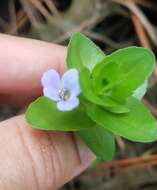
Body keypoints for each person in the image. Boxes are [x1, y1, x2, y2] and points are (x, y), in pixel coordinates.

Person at [0, 34, 95, 190]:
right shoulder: (58, 90)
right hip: (63, 102)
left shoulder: (72, 87)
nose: (63, 94)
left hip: (71, 100)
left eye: (66, 94)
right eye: (63, 94)